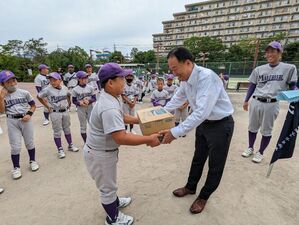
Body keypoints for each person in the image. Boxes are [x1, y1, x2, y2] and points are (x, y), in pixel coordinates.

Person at [83, 62, 161, 225]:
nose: (125, 81)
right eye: (122, 78)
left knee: (109, 182)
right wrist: (149, 138)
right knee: (107, 188)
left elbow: (122, 117)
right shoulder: (108, 106)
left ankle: (115, 202)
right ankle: (113, 218)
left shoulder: (112, 97)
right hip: (100, 154)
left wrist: (140, 120)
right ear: (111, 82)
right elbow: (121, 137)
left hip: (104, 151)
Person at [160, 47, 234, 214]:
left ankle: (204, 196)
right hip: (204, 125)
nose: (173, 73)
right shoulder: (185, 81)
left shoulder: (207, 78)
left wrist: (174, 132)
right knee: (198, 158)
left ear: (187, 63)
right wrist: (156, 114)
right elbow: (175, 101)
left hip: (220, 125)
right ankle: (190, 187)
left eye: (174, 69)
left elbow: (201, 112)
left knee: (215, 164)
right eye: (171, 69)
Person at [242, 41, 297, 163]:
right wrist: (246, 100)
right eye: (267, 52)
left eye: (272, 51)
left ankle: (260, 152)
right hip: (256, 101)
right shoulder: (259, 69)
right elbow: (252, 86)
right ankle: (250, 147)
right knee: (252, 127)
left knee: (267, 130)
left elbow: (293, 85)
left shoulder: (289, 68)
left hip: (272, 103)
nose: (269, 54)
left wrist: (295, 94)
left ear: (279, 53)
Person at [0, 70, 39, 180]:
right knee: (15, 146)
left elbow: (33, 105)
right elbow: (2, 111)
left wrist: (29, 114)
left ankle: (32, 161)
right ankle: (16, 167)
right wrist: (1, 98)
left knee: (30, 142)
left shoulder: (24, 92)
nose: (12, 83)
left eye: (13, 80)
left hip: (25, 119)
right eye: (8, 82)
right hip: (12, 121)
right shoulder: (2, 96)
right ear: (2, 84)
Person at [37, 72, 79, 159]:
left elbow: (68, 95)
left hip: (65, 111)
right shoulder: (47, 89)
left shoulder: (64, 88)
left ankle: (70, 145)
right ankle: (60, 149)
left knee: (67, 128)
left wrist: (69, 103)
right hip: (55, 112)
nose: (52, 82)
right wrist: (47, 106)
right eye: (51, 80)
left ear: (60, 80)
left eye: (54, 80)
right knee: (57, 131)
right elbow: (39, 96)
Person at [72, 71, 96, 143]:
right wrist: (79, 103)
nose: (85, 79)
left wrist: (89, 101)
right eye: (83, 78)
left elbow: (94, 98)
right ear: (78, 79)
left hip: (90, 107)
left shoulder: (90, 87)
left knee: (92, 124)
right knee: (83, 126)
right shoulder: (75, 89)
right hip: (81, 109)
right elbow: (74, 101)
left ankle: (93, 141)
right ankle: (86, 142)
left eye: (86, 77)